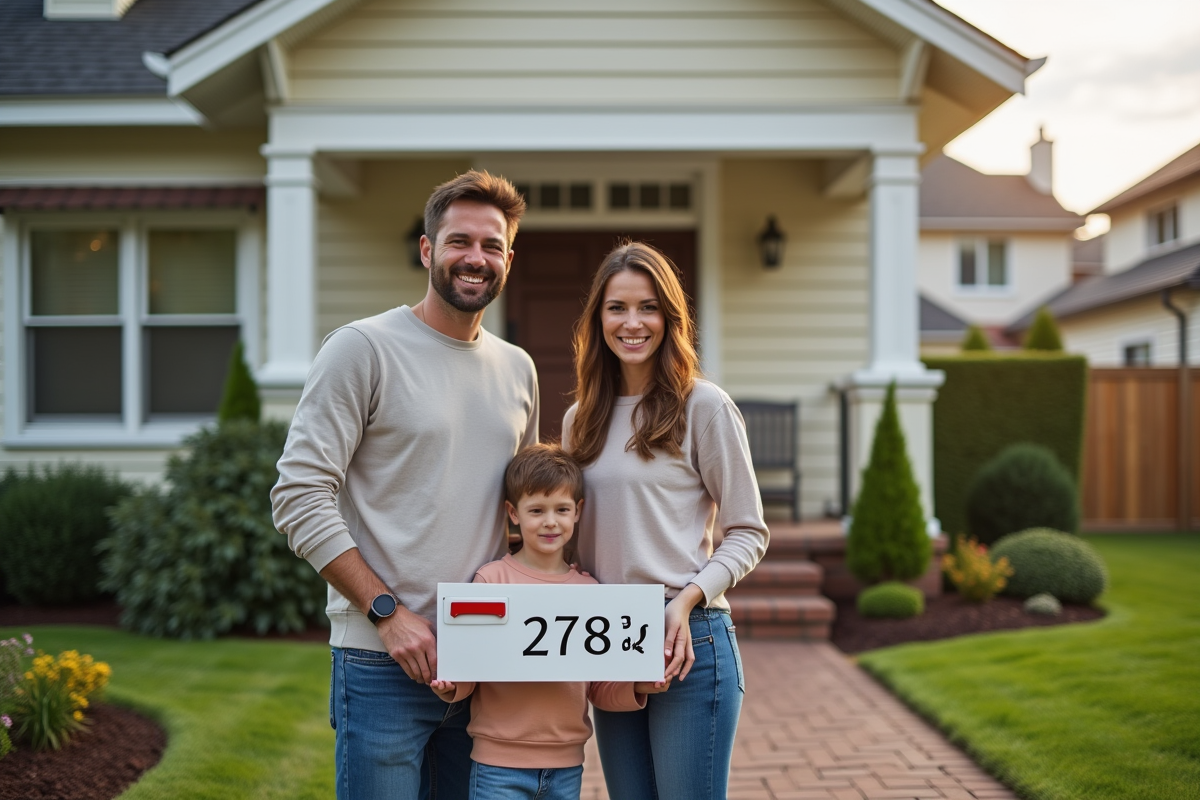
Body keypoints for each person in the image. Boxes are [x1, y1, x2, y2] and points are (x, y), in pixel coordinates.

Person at [271, 170, 538, 800]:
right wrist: (387, 615)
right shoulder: (361, 349)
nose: (476, 258)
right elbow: (298, 494)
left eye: (492, 246)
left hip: (482, 660)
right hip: (380, 660)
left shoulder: (518, 369)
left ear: (507, 259)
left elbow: (525, 517)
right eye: (459, 241)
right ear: (427, 250)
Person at [561, 241, 769, 800]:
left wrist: (687, 599)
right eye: (617, 307)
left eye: (648, 307)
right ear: (598, 318)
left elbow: (749, 531)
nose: (633, 323)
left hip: (688, 641)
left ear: (670, 318)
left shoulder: (704, 407)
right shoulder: (579, 419)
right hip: (611, 642)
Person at [431, 443, 662, 800]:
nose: (551, 521)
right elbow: (470, 667)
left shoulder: (590, 591)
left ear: (577, 512)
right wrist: (452, 687)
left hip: (566, 767)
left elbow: (598, 684)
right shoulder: (491, 582)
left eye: (562, 509)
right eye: (536, 510)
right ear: (513, 513)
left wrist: (637, 687)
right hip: (497, 766)